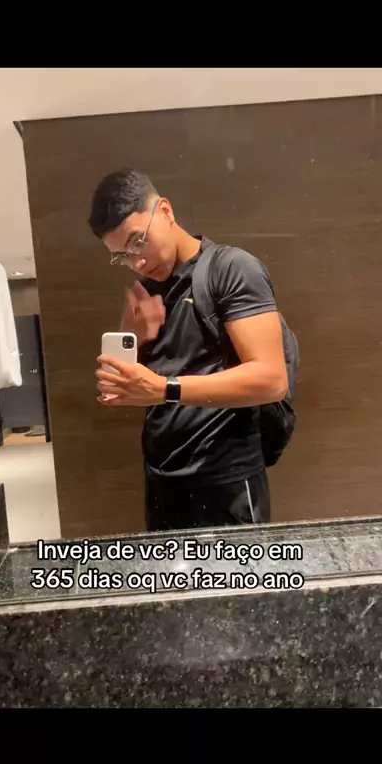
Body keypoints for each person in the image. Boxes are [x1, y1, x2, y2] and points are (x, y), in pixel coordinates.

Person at [89, 168, 288, 532]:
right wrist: (134, 341)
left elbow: (271, 379)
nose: (137, 261)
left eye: (138, 241)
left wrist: (165, 389)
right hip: (162, 481)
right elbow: (153, 383)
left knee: (235, 572)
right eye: (122, 255)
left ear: (165, 210)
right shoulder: (149, 293)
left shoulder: (231, 269)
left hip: (225, 482)